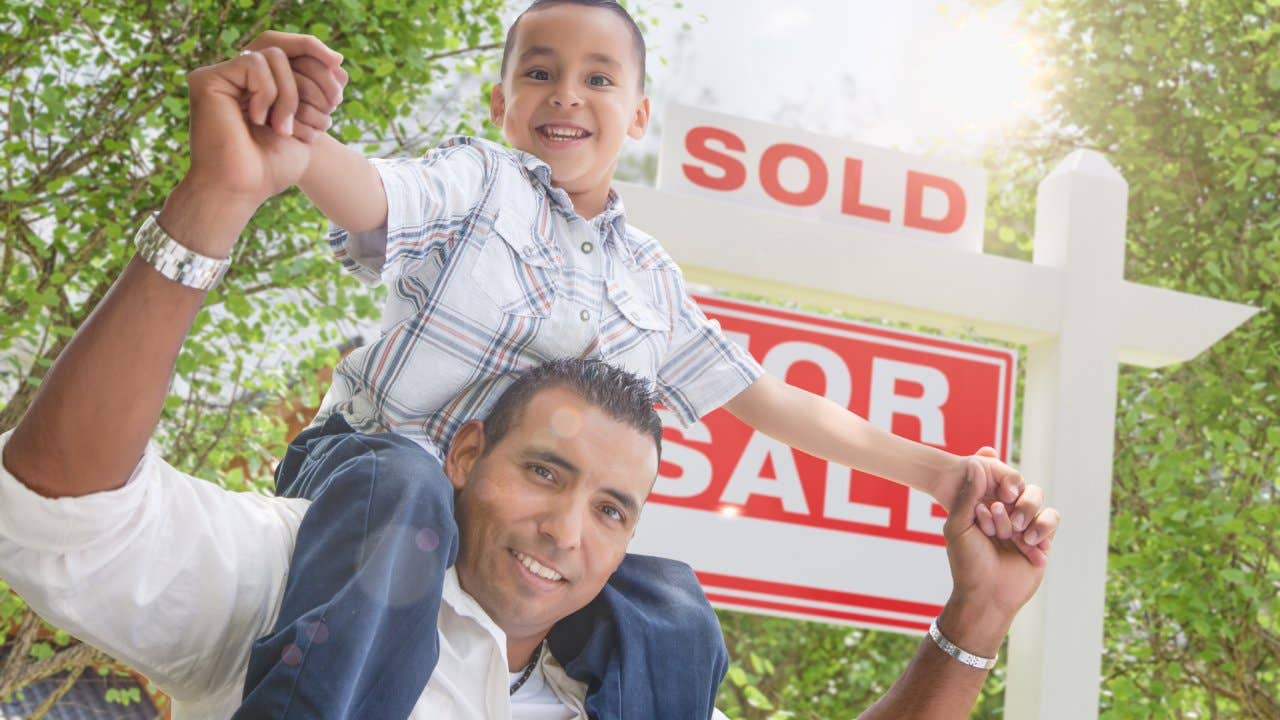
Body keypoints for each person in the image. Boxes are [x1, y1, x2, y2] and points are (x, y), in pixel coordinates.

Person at [220, 2, 1053, 714]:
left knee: (671, 605)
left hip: (517, 532)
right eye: (540, 74)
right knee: (404, 487)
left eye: (599, 78)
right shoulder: (477, 184)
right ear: (501, 101)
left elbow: (768, 398)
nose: (567, 95)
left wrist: (940, 473)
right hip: (373, 480)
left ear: (640, 114)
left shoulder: (648, 277)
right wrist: (296, 140)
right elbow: (373, 191)